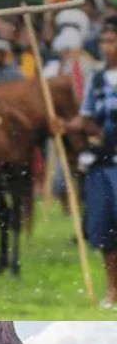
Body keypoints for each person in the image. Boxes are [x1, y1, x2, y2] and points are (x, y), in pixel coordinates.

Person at [64, 15, 117, 307]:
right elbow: (85, 118)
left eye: (112, 40)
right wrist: (65, 125)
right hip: (101, 164)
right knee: (105, 231)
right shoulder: (96, 79)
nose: (107, 47)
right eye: (104, 41)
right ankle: (113, 291)